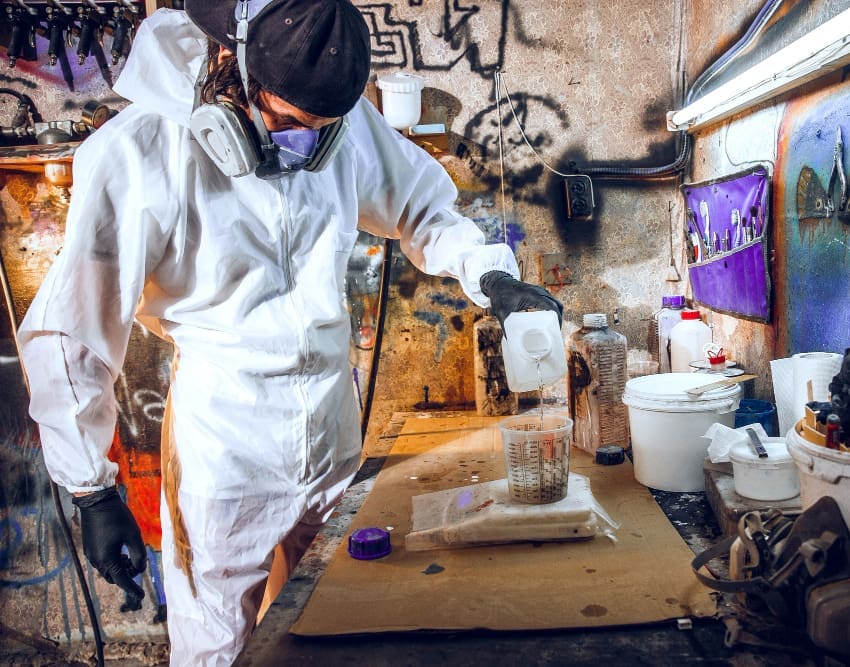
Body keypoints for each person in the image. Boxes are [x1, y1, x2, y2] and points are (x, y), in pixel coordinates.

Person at [16, 1, 562, 665]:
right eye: (291, 125)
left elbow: (421, 204)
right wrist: (90, 488)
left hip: (330, 436)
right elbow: (73, 330)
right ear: (233, 68)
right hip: (227, 451)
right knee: (221, 646)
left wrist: (491, 275)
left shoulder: (342, 126)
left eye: (322, 132)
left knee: (338, 625)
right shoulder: (140, 153)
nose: (306, 148)